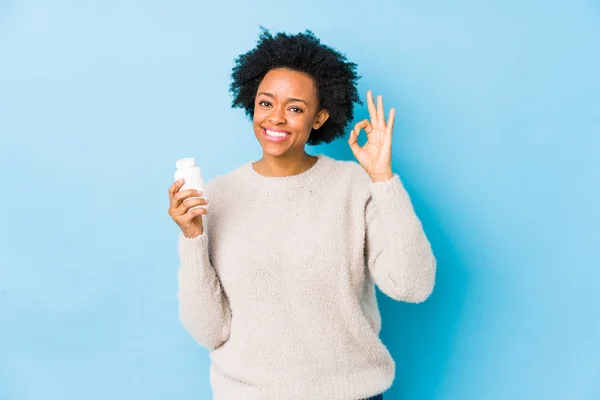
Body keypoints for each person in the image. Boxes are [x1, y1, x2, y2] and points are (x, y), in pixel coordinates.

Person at [167, 28, 436, 400]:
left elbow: (412, 286)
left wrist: (382, 179)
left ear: (320, 117)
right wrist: (192, 238)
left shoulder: (353, 186)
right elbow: (209, 331)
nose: (275, 118)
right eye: (265, 103)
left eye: (294, 108)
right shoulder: (216, 196)